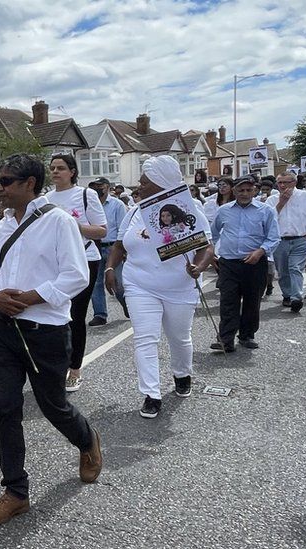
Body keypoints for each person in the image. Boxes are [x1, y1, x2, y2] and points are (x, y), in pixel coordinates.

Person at [0, 154, 101, 526]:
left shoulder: (59, 222)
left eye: (6, 181)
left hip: (43, 331)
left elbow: (76, 276)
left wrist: (30, 297)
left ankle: (86, 439)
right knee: (5, 406)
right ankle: (16, 491)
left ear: (30, 183)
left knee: (53, 406)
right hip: (1, 329)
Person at [104, 155, 215, 419]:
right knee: (145, 338)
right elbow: (119, 245)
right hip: (139, 284)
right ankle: (151, 394)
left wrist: (198, 268)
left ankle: (182, 374)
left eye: (144, 181)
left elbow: (206, 247)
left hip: (179, 286)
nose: (138, 185)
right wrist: (110, 268)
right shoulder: (133, 211)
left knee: (179, 337)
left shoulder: (189, 210)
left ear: (160, 183)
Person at [45, 154, 107, 392]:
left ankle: (75, 369)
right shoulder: (47, 199)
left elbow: (101, 231)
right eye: (52, 168)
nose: (55, 172)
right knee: (55, 314)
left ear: (72, 171)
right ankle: (56, 365)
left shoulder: (85, 195)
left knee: (76, 315)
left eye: (60, 168)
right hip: (55, 262)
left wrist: (73, 225)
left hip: (84, 259)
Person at [210, 177, 280, 352]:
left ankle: (247, 335)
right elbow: (213, 233)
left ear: (255, 191)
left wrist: (260, 251)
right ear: (234, 191)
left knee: (252, 300)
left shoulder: (266, 211)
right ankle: (225, 339)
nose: (245, 194)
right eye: (241, 190)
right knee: (228, 301)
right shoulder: (224, 211)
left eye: (249, 190)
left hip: (254, 263)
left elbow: (273, 237)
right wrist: (212, 253)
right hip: (228, 263)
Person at [267, 173, 306, 313]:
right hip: (280, 240)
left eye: (286, 182)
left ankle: (296, 297)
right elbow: (269, 219)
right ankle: (287, 294)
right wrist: (281, 202)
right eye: (279, 183)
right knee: (283, 271)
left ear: (294, 183)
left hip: (301, 238)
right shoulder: (272, 200)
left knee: (295, 267)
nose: (282, 186)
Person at [88, 177, 128, 326]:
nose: (97, 188)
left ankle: (126, 303)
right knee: (96, 283)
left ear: (107, 187)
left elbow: (122, 228)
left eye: (100, 185)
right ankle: (100, 314)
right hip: (95, 247)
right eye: (94, 186)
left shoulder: (117, 205)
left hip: (113, 247)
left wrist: (121, 249)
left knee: (118, 282)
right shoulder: (90, 204)